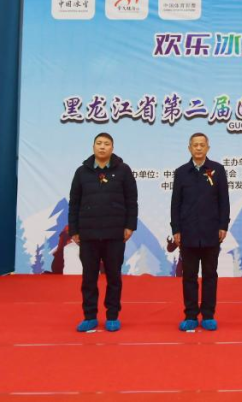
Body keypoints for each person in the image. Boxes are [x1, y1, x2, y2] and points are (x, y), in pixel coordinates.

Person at [68, 132, 138, 333]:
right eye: (98, 143)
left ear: (112, 148)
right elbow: (74, 203)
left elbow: (131, 200)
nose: (102, 147)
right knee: (89, 278)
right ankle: (90, 316)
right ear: (93, 147)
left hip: (114, 234)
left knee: (114, 277)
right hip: (88, 234)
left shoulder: (123, 170)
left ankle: (112, 315)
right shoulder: (82, 172)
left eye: (106, 144)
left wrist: (129, 226)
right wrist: (74, 229)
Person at [170, 132, 230, 332]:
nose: (198, 148)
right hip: (187, 233)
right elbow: (175, 204)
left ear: (207, 148)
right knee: (189, 276)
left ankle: (208, 315)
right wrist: (176, 229)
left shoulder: (217, 170)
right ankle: (190, 315)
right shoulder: (181, 172)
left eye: (202, 145)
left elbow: (224, 201)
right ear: (189, 148)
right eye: (194, 145)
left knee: (210, 275)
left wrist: (223, 225)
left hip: (211, 232)